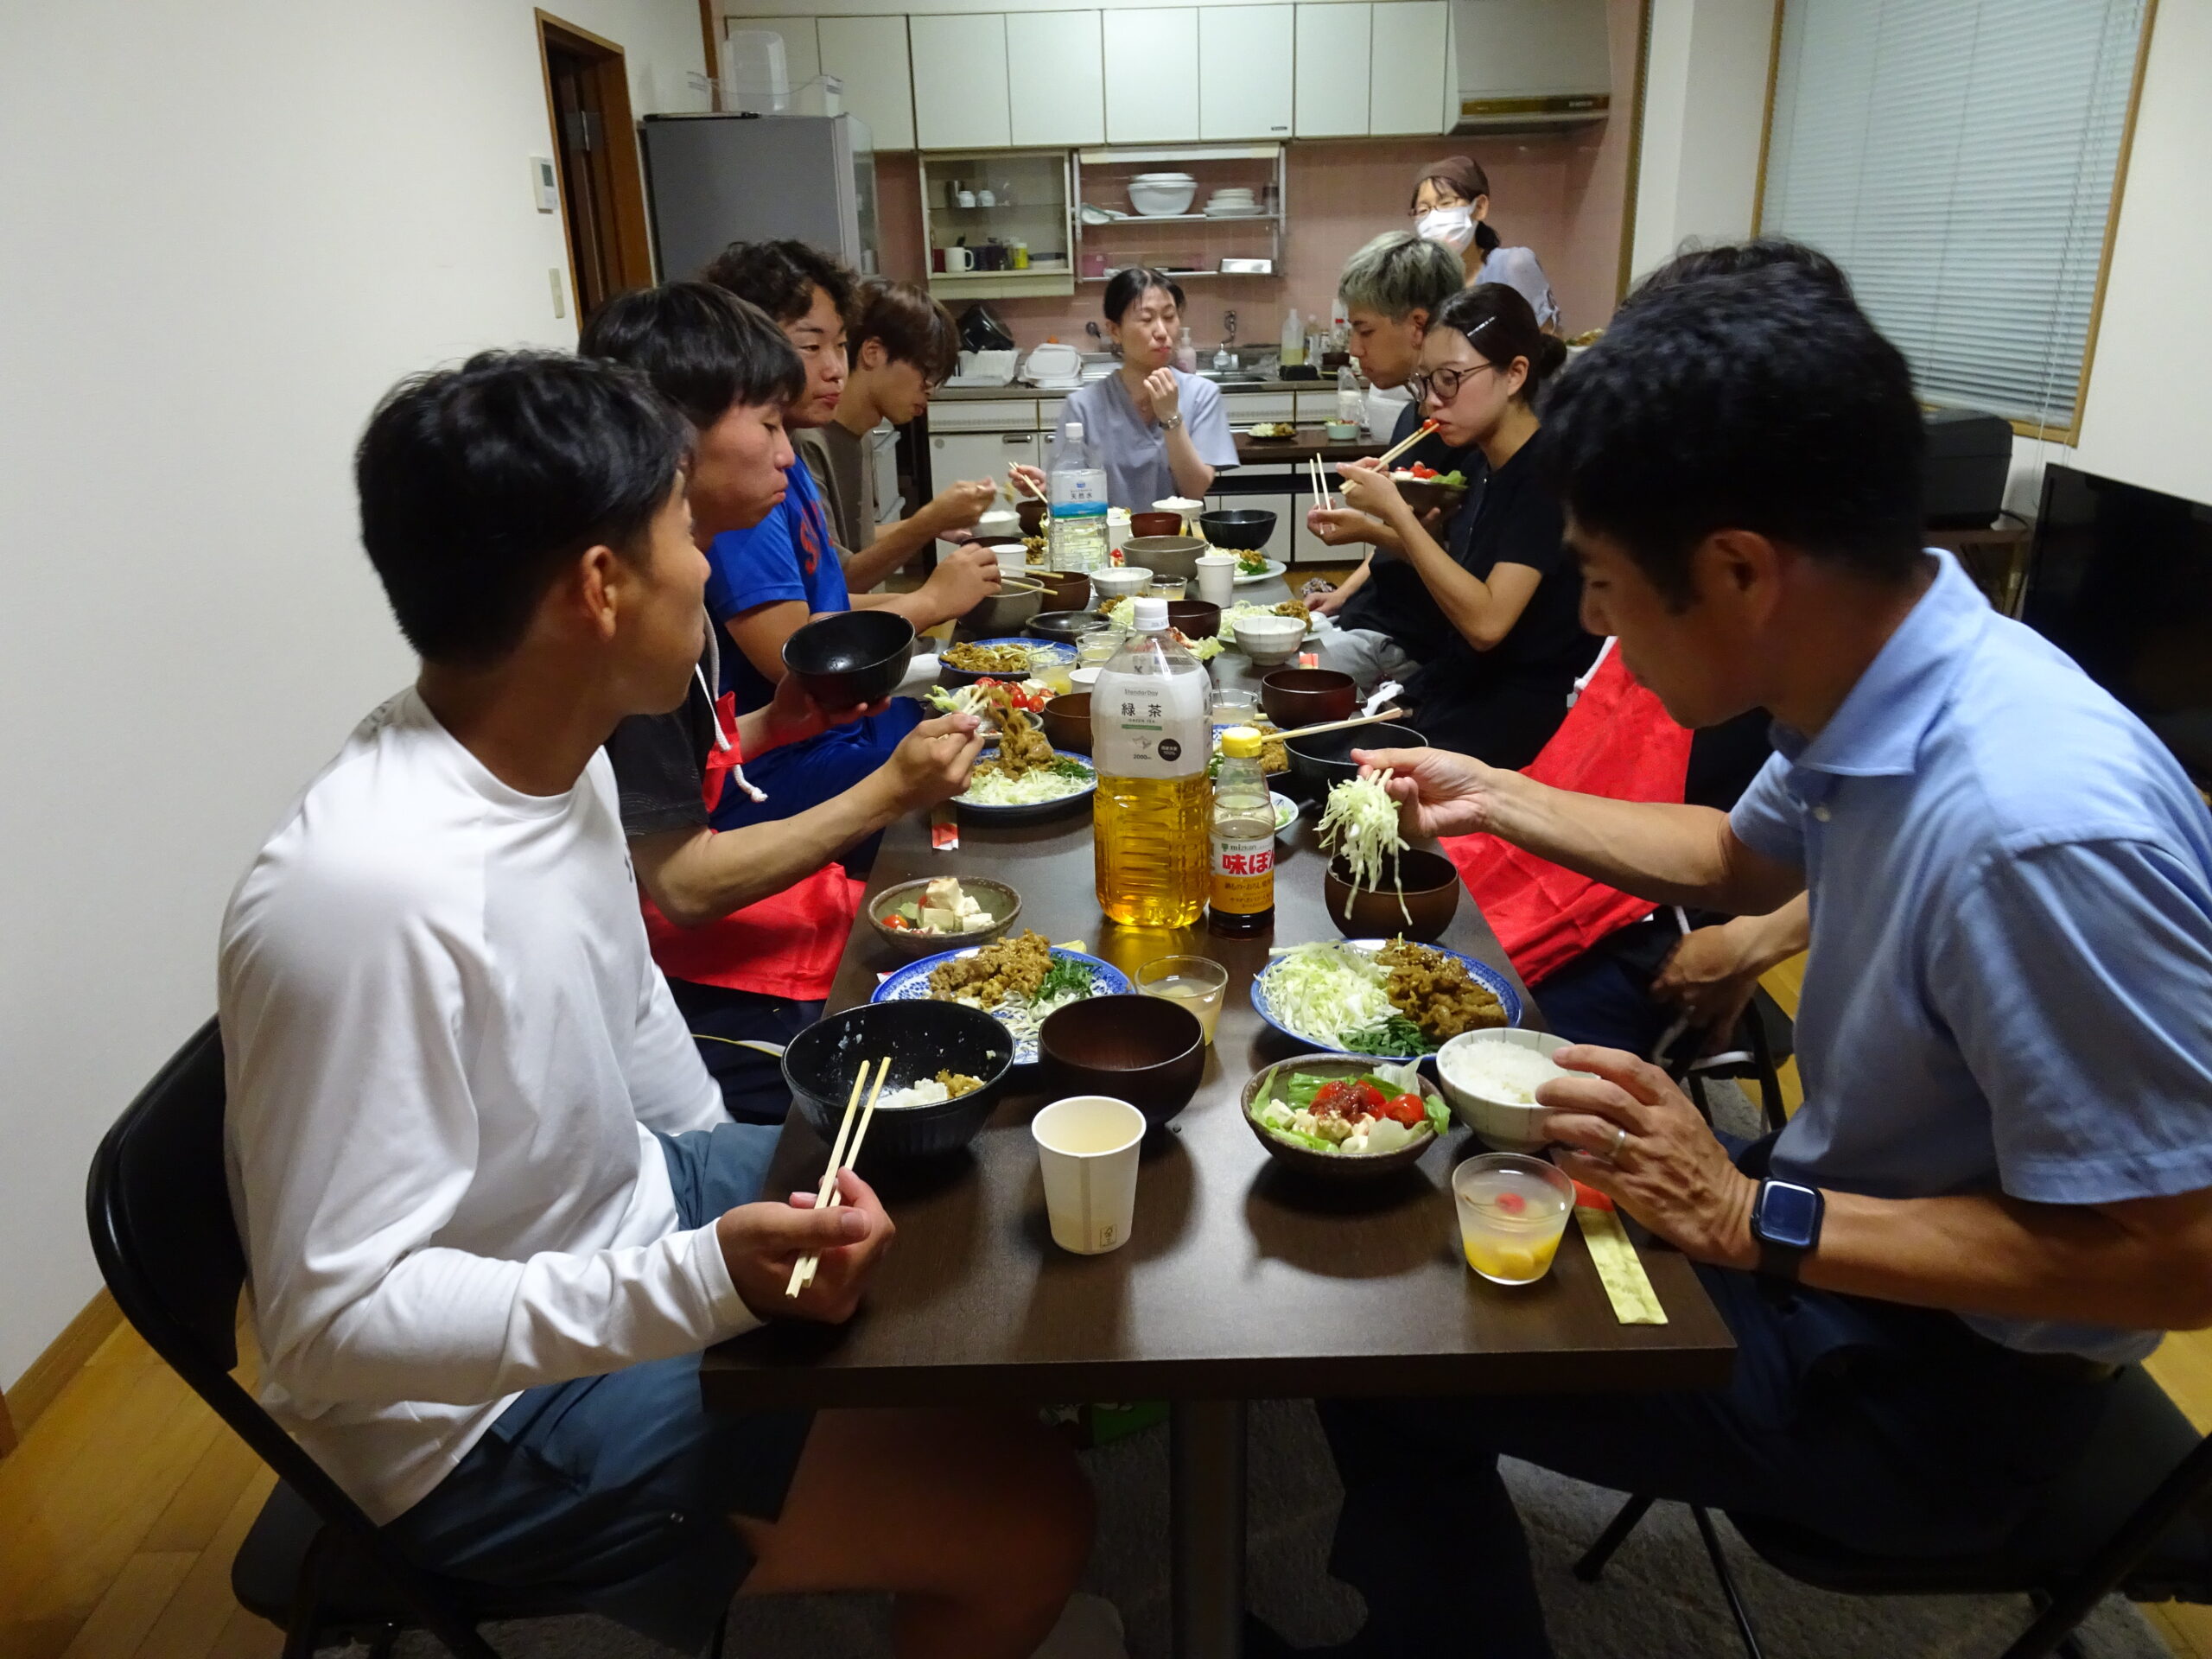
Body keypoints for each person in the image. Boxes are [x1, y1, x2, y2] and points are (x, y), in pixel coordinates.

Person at [1281, 254, 2212, 1659]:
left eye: (1605, 583)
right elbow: (1734, 859)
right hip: (1847, 1237)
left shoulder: (2034, 831)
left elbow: (2180, 1261)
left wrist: (1745, 1215)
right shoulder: (1886, 672)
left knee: (1389, 1342)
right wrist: (1498, 793)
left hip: (1936, 1396)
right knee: (1432, 1216)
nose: (1594, 623)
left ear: (1737, 570)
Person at [221, 350, 1097, 1658]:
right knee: (1032, 1523)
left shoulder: (551, 752)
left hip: (626, 1208)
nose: (706, 565)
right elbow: (332, 1329)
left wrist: (734, 1180)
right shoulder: (362, 895)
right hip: (474, 1424)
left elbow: (632, 1013)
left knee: (967, 1208)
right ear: (599, 586)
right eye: (685, 531)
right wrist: (702, 1282)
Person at [582, 283, 988, 1122]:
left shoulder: (678, 573)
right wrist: (889, 793)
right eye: (767, 423)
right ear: (672, 434)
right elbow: (680, 885)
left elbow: (658, 773)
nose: (785, 452)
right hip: (706, 988)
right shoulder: (632, 610)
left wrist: (773, 723)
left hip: (729, 932)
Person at [698, 239, 1000, 828]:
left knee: (981, 723)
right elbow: (795, 655)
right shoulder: (743, 481)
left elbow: (828, 598)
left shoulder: (785, 455)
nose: (836, 367)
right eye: (811, 346)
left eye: (840, 344)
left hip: (821, 732)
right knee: (975, 771)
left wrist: (936, 596)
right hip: (775, 765)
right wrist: (928, 602)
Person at [1333, 283, 1599, 766]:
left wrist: (1396, 513)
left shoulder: (1546, 476)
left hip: (1519, 718)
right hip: (1461, 685)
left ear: (1515, 374)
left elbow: (1487, 624)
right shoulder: (1481, 466)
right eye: (1425, 383)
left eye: (1450, 380)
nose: (1431, 403)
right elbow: (1461, 574)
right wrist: (1405, 524)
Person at [1303, 232, 1481, 689]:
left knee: (1280, 678)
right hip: (1369, 615)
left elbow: (1453, 561)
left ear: (1418, 325)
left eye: (1365, 331)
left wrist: (1369, 527)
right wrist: (1342, 594)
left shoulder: (1467, 428)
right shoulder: (1413, 415)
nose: (1355, 349)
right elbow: (1400, 537)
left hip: (1410, 642)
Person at [800, 276, 997, 576]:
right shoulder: (808, 442)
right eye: (925, 372)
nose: (930, 390)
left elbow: (857, 543)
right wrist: (929, 522)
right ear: (873, 353)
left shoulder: (859, 434)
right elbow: (838, 581)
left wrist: (936, 522)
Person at [1055, 267, 1238, 508]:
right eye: (1146, 319)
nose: (1162, 332)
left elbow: (1194, 491)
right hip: (1106, 532)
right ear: (1115, 331)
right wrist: (1055, 485)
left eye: (1169, 317)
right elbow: (1071, 495)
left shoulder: (1201, 395)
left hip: (1180, 532)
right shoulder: (1083, 407)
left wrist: (1171, 418)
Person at [1412, 154, 1558, 329]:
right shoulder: (1424, 286)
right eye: (1423, 210)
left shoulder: (1512, 266)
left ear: (1480, 207)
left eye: (1446, 203)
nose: (1434, 218)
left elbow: (1547, 341)